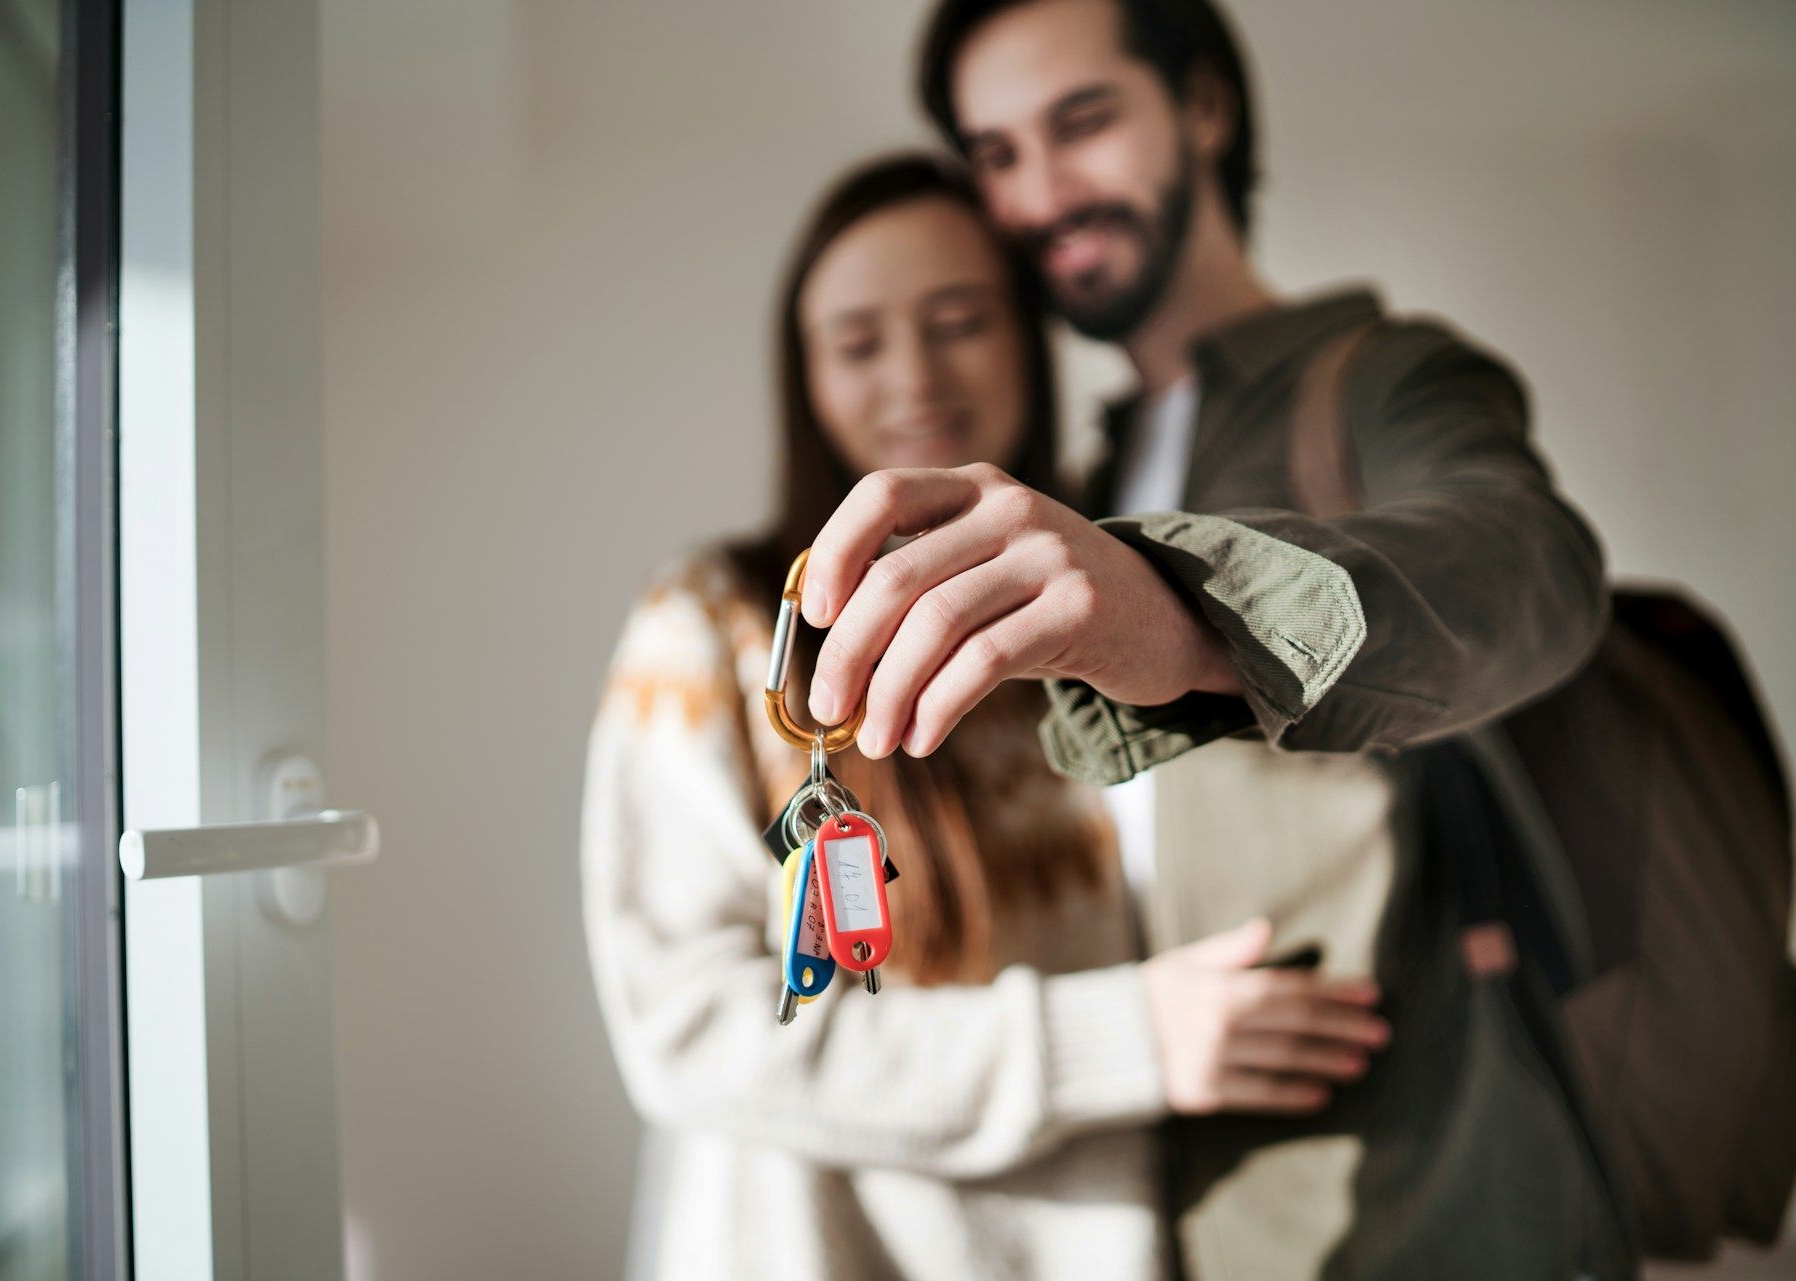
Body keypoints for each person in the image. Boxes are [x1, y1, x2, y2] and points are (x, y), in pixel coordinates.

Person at [788, 1, 1635, 1277]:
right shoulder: (1070, 473)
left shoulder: (1386, 380)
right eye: (998, 155)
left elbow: (1533, 567)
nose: (1039, 196)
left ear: (1204, 110)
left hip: (1431, 1215)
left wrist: (1175, 609)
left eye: (1082, 123)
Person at [581, 153, 1389, 1280]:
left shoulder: (1107, 613)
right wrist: (1125, 1042)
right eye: (858, 343)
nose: (913, 374)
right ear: (804, 377)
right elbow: (688, 1034)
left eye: (959, 321)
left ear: (1026, 337)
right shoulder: (710, 621)